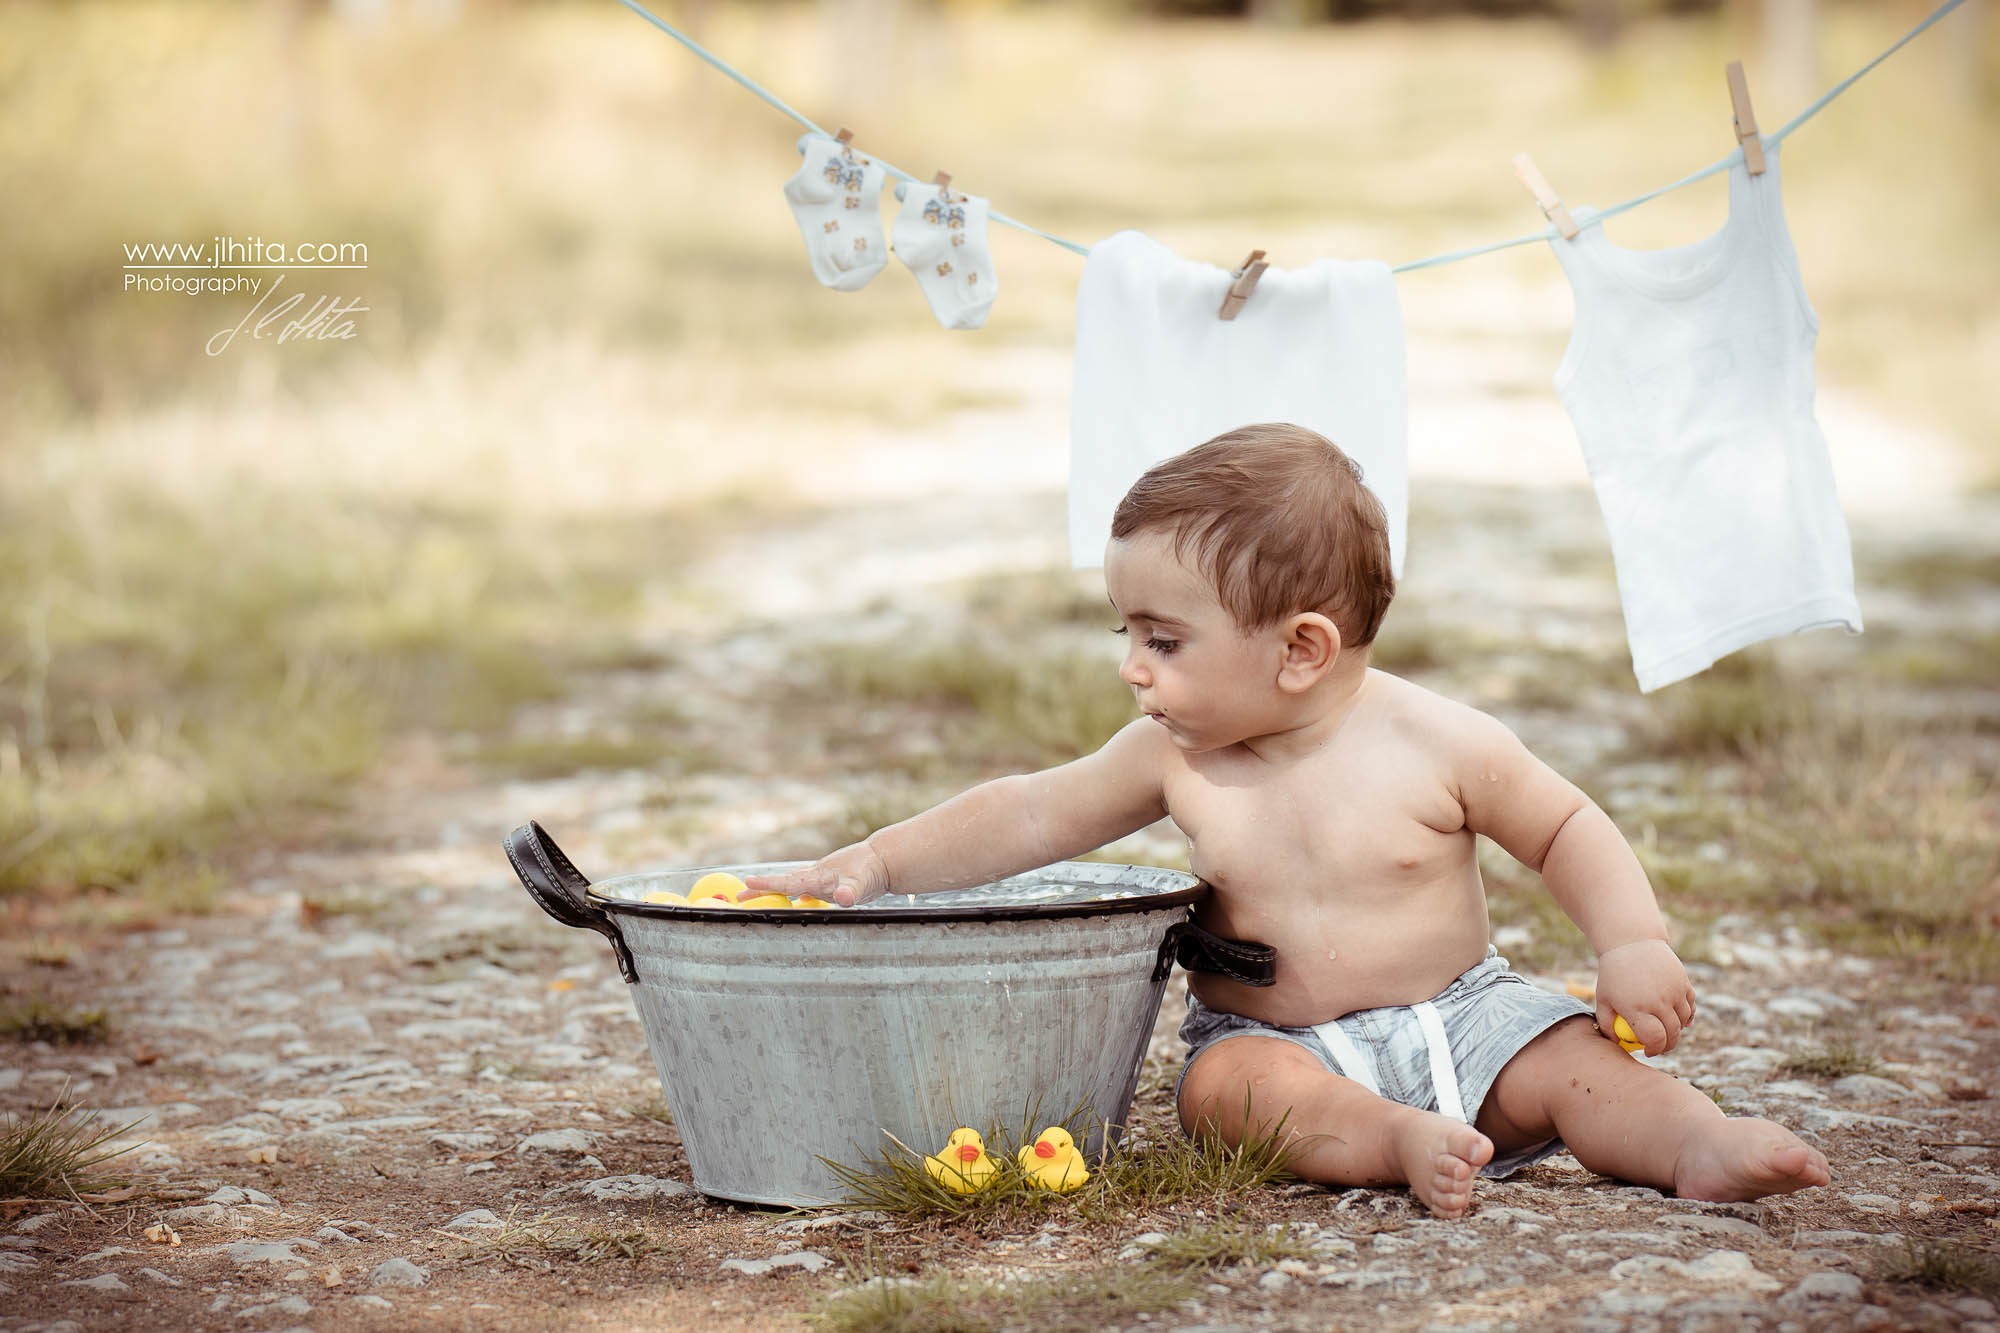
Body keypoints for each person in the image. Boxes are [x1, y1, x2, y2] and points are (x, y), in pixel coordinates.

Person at [746, 423, 1829, 1217]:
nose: (1129, 666)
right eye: (1126, 631)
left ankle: (1694, 1140)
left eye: (1162, 640)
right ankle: (1392, 1141)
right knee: (1224, 1095)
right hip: (1271, 1038)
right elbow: (1029, 812)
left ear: (1300, 649)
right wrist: (879, 859)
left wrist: (1628, 941)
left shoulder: (1438, 742)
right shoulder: (1170, 759)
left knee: (1576, 1065)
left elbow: (1565, 827)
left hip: (1460, 1017)